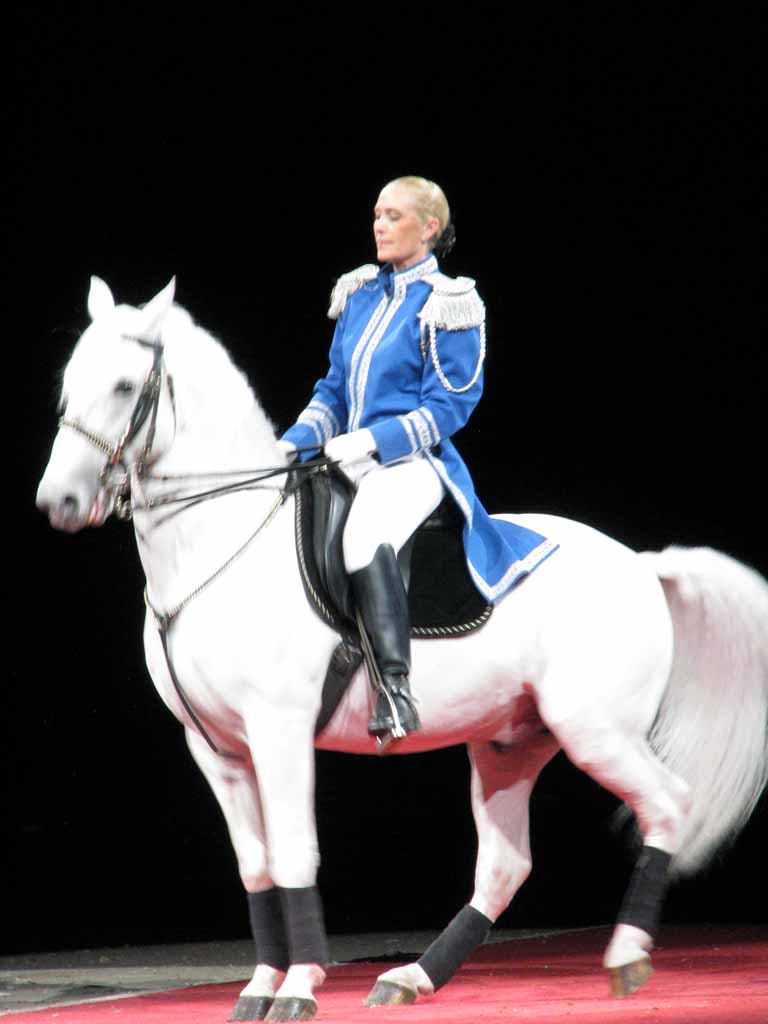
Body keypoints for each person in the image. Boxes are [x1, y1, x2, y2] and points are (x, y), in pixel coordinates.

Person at [279, 176, 557, 741]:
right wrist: (292, 443)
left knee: (363, 538)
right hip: (342, 460)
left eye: (394, 216)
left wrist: (373, 441)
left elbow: (451, 406)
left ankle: (396, 689)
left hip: (414, 466)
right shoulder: (358, 295)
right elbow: (333, 391)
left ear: (429, 227)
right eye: (377, 214)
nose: (379, 225)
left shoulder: (449, 303)